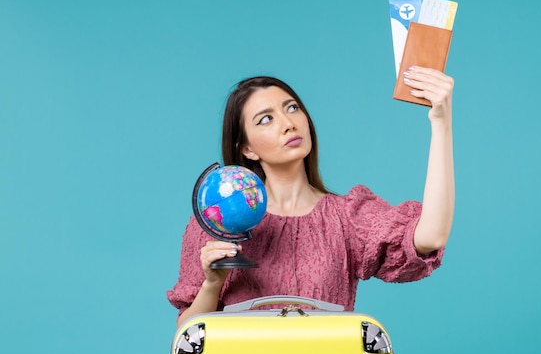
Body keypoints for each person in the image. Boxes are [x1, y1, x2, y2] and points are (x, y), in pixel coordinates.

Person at [167, 68, 455, 327]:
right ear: (247, 150)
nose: (288, 123)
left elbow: (430, 237)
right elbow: (187, 339)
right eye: (266, 119)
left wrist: (441, 121)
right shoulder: (217, 221)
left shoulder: (347, 219)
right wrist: (212, 283)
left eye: (292, 108)